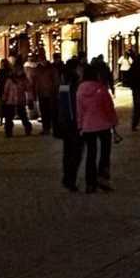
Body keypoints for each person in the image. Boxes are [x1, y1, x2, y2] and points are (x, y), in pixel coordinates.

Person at [76, 66, 118, 193]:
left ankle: (90, 183)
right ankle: (102, 178)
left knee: (91, 154)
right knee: (105, 153)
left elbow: (79, 110)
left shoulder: (80, 90)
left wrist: (80, 125)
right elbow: (109, 107)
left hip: (88, 126)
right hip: (104, 125)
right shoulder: (101, 88)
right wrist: (114, 122)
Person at [57, 59, 83, 192]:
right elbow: (70, 106)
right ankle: (69, 179)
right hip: (73, 124)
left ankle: (67, 177)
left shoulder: (64, 85)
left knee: (68, 152)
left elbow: (62, 104)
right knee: (75, 153)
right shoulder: (74, 86)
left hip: (66, 123)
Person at [2, 65, 34, 137]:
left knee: (23, 117)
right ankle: (8, 131)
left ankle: (28, 128)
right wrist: (4, 99)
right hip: (10, 101)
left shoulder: (24, 80)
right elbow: (6, 90)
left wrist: (30, 99)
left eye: (20, 70)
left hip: (20, 101)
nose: (18, 72)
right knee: (9, 118)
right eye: (17, 70)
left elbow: (29, 90)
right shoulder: (10, 80)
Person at [33, 54, 60, 137]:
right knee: (44, 112)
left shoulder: (51, 69)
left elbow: (56, 81)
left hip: (50, 93)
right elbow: (36, 81)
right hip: (42, 93)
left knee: (52, 112)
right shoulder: (38, 69)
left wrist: (55, 91)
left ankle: (54, 129)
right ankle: (46, 128)